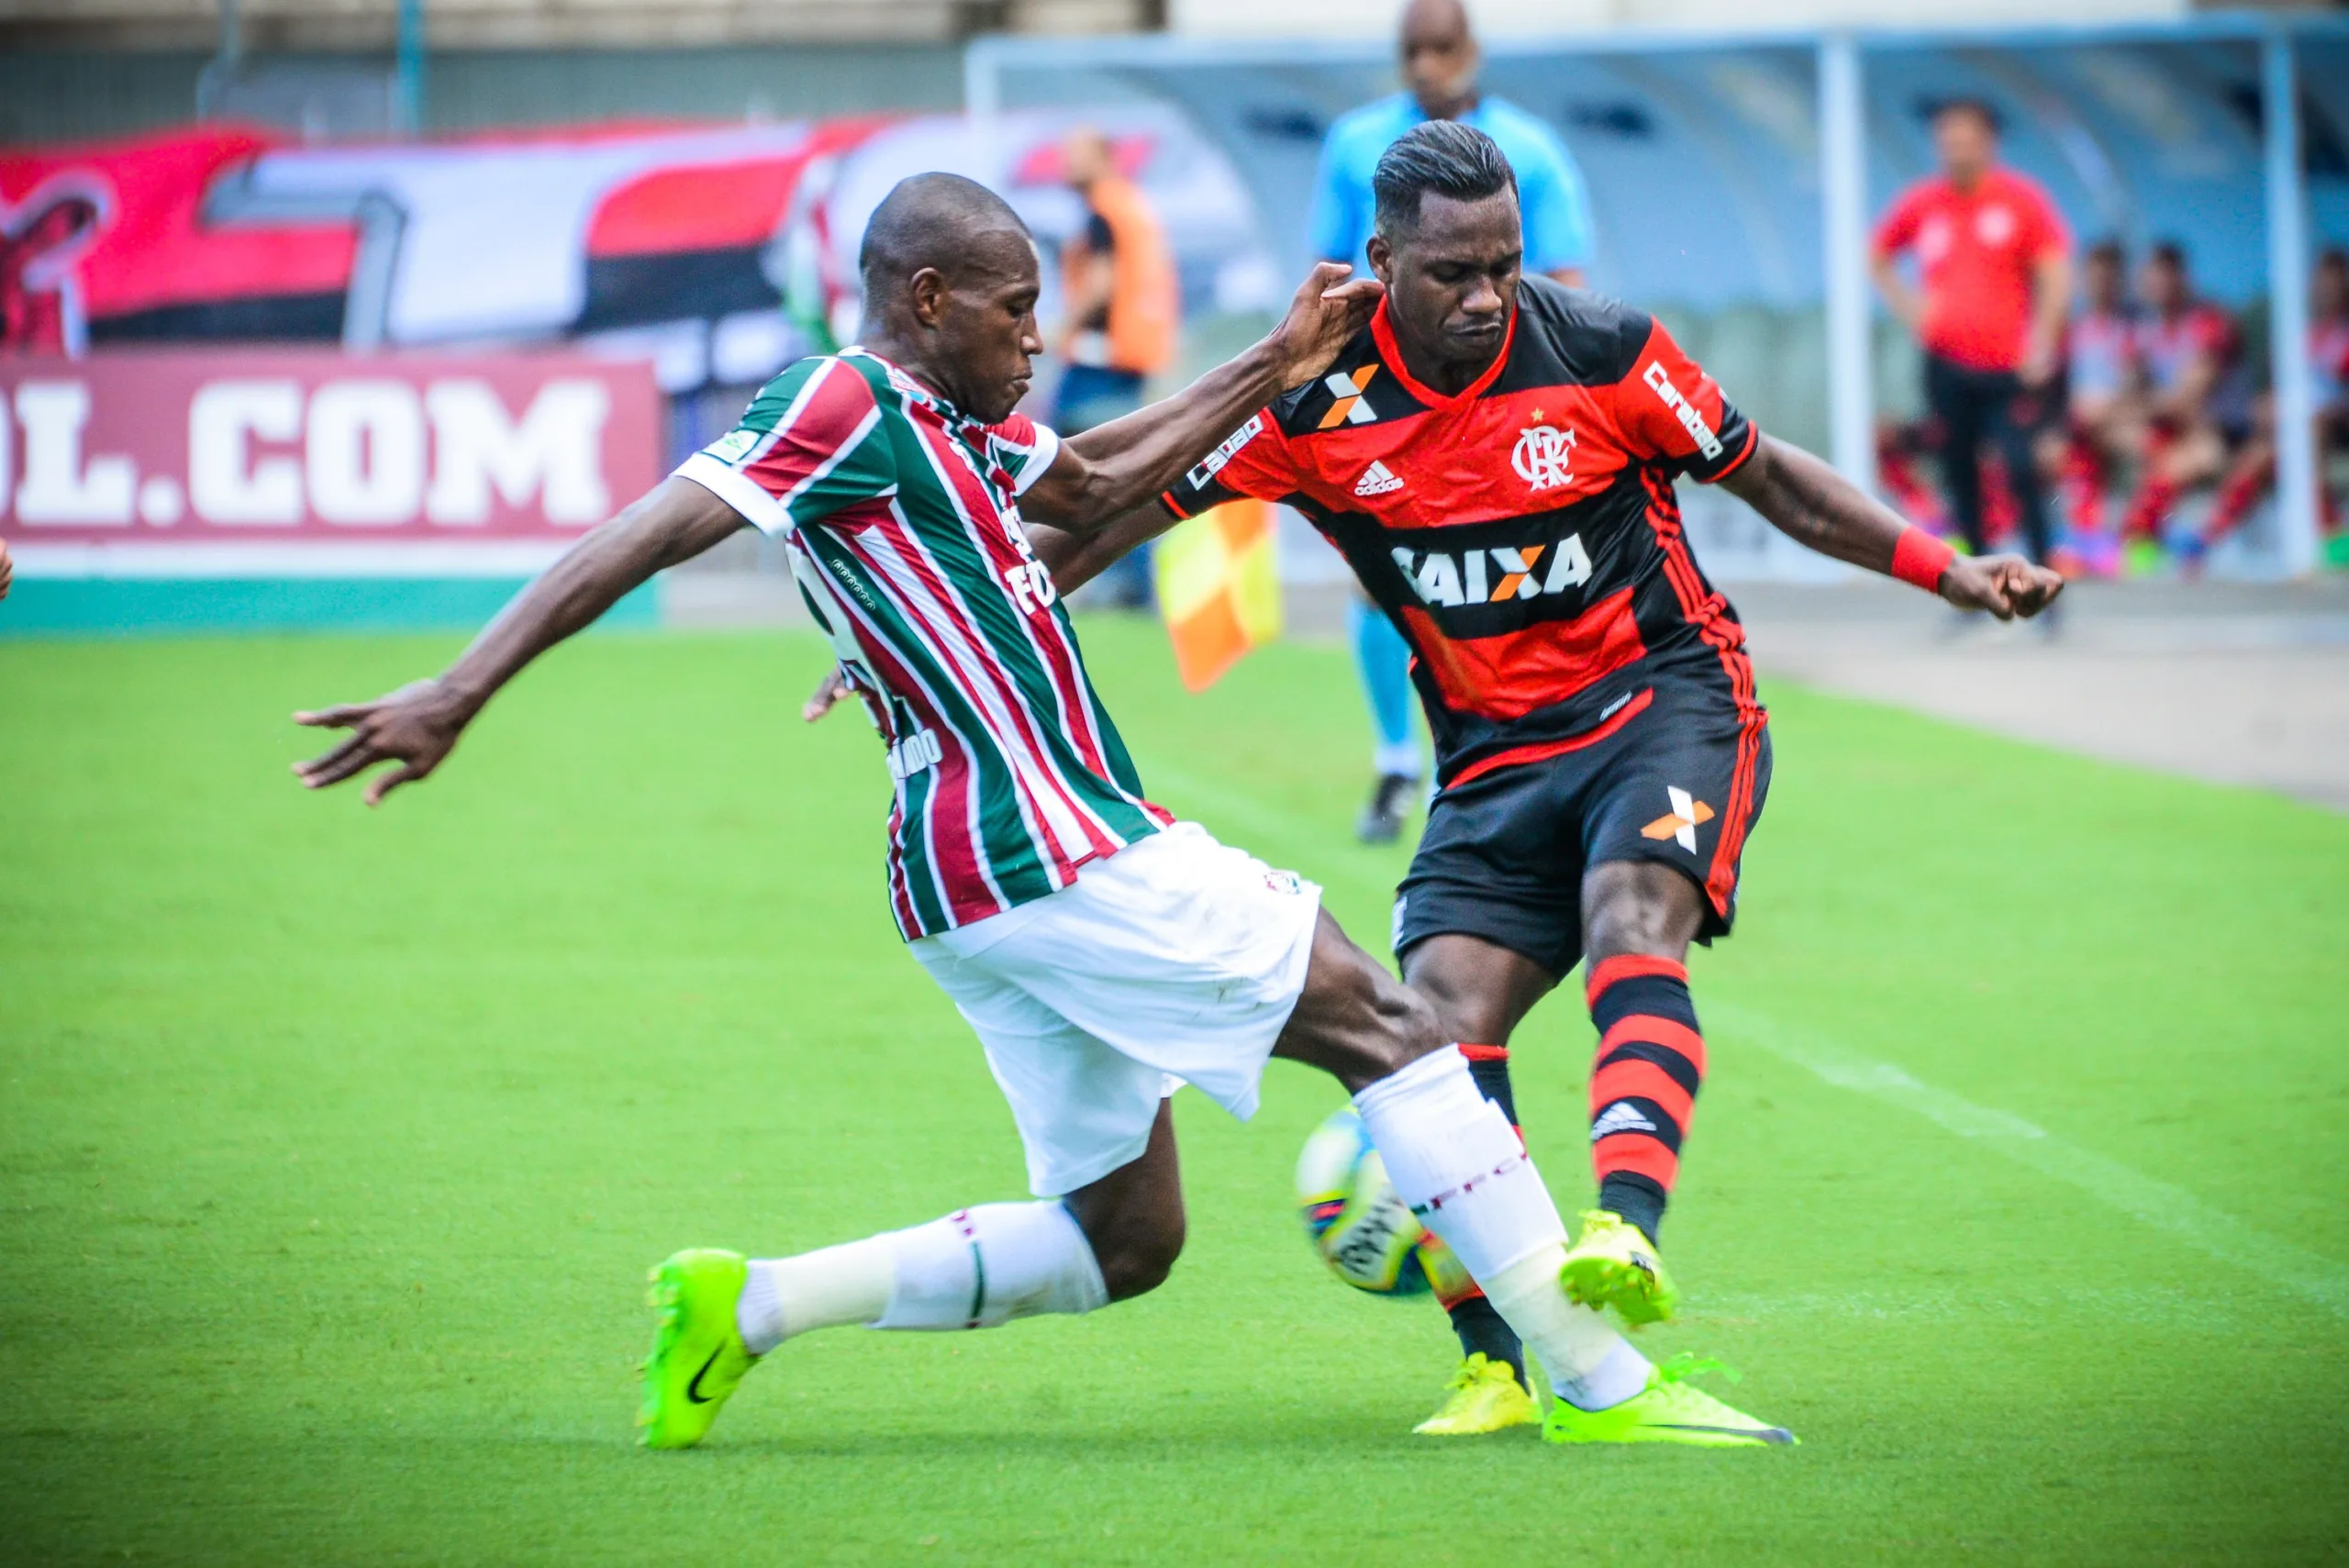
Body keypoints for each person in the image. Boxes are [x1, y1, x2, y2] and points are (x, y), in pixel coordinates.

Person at [291, 172, 1796, 1452]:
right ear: (930, 297)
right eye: (1016, 311)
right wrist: (460, 686)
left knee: (1120, 1238)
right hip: (1044, 834)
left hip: (964, 885)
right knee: (1390, 1022)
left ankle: (742, 1305)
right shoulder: (848, 398)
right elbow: (647, 528)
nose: (1038, 335)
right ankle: (1600, 1379)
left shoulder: (964, 427)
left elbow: (1091, 479)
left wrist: (1275, 357)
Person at [1108, 122, 2059, 1434]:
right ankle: (1496, 1366)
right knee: (1429, 1031)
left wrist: (1947, 568)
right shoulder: (1312, 404)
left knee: (1631, 915)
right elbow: (1101, 500)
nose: (1487, 293)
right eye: (1451, 271)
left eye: (1503, 261)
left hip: (1662, 703)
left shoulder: (1604, 348)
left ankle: (1625, 1225)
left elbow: (1769, 475)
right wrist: (925, 607)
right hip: (1493, 760)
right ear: (1380, 259)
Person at [1309, 0, 1597, 845]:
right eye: (1412, 50)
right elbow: (1327, 271)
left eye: (1442, 47)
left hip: (1503, 397)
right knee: (1375, 575)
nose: (1427, 64)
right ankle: (1399, 754)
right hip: (1387, 399)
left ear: (1472, 49)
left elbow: (1567, 280)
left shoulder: (1531, 150)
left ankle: (1493, 755)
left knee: (1500, 567)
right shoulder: (1356, 145)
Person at [1870, 98, 2071, 570]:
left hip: (2007, 365)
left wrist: (2043, 338)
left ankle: (2044, 576)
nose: (1956, 149)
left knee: (2022, 467)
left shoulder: (2020, 200)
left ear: (1988, 143)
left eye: (1966, 140)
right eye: (1947, 141)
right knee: (1959, 472)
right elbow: (1877, 254)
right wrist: (1913, 310)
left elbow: (2056, 273)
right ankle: (1976, 582)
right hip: (1945, 364)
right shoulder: (1925, 202)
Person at [1052, 126, 1180, 610]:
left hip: (1100, 357)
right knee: (1118, 470)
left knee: (1072, 467)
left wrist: (1059, 327)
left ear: (1105, 158)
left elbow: (1103, 282)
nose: (1065, 165)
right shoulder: (1131, 205)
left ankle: (1117, 583)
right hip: (1128, 355)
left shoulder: (1105, 210)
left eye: (1075, 155)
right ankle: (1130, 583)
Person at [2193, 246, 2349, 557]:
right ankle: (2329, 532)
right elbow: (2273, 392)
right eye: (2323, 283)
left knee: (2305, 431)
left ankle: (2207, 539)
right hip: (2291, 432)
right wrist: (2269, 406)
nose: (2328, 290)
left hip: (2333, 430)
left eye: (2336, 283)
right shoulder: (2299, 336)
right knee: (2264, 452)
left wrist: (2318, 412)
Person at [2116, 241, 2241, 560]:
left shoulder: (2208, 321)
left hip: (2216, 433)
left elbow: (2187, 399)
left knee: (2175, 461)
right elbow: (2128, 391)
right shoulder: (2143, 327)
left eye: (2163, 275)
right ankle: (2124, 542)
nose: (2155, 284)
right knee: (2127, 438)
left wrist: (2140, 405)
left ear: (2181, 277)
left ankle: (2140, 544)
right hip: (2167, 431)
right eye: (2150, 276)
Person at [2050, 238, 2139, 575]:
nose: (2101, 285)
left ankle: (2130, 541)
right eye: (2095, 277)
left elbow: (2137, 386)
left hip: (2123, 420)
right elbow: (2057, 390)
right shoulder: (2074, 330)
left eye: (2108, 277)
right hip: (2079, 424)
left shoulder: (2132, 329)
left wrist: (2111, 409)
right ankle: (2084, 540)